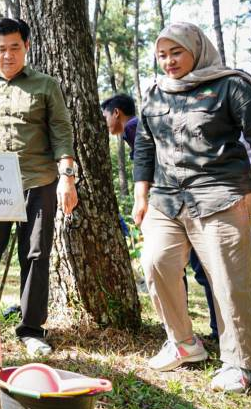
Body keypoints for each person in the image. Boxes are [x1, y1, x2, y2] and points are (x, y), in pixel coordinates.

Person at [133, 22, 251, 393]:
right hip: (167, 198)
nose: (169, 62)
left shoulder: (231, 84)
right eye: (162, 55)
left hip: (222, 195)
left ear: (196, 50)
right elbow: (144, 147)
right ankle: (184, 343)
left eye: (176, 53)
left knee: (229, 281)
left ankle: (239, 362)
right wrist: (140, 196)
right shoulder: (154, 92)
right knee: (155, 262)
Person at [0, 18, 78, 357]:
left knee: (36, 255)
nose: (8, 55)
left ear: (26, 46)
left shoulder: (46, 86)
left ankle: (31, 329)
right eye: (1, 49)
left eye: (15, 47)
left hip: (38, 181)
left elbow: (62, 134)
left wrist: (67, 177)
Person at [103, 94, 220, 341]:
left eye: (105, 115)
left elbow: (153, 166)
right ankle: (202, 329)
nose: (104, 122)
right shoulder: (132, 131)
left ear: (116, 113)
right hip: (174, 205)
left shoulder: (134, 127)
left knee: (196, 268)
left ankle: (214, 330)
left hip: (175, 206)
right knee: (185, 269)